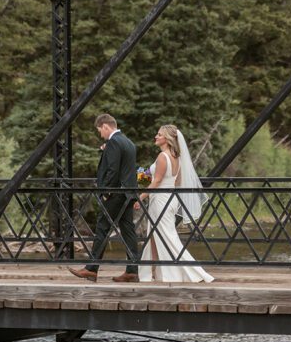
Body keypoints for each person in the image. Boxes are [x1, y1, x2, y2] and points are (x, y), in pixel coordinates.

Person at [136, 124, 214, 283]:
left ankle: (192, 271)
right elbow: (175, 181)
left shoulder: (162, 156)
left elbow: (157, 181)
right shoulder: (176, 157)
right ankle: (154, 271)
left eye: (159, 134)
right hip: (170, 199)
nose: (156, 136)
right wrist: (142, 177)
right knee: (157, 236)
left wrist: (140, 197)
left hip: (160, 201)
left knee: (167, 237)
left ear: (167, 139)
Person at [69, 113, 139, 283]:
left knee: (102, 228)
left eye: (100, 130)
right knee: (128, 231)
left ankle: (91, 269)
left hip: (115, 194)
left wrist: (106, 192)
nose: (100, 134)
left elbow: (113, 170)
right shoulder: (128, 142)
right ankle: (132, 271)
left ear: (106, 126)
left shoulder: (114, 142)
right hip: (127, 194)